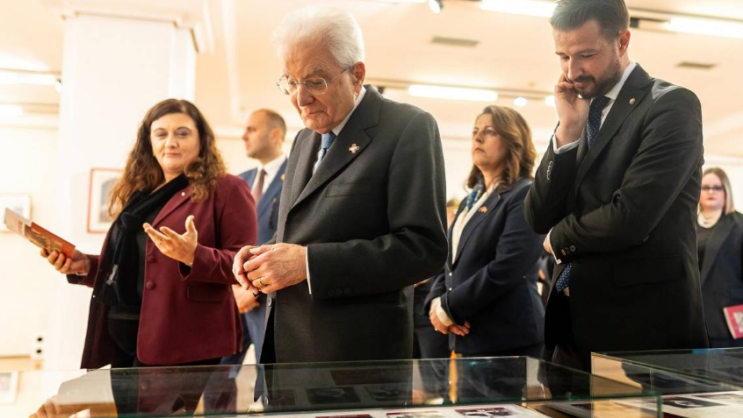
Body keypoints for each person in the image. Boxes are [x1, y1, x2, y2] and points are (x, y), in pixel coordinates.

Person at [233, 6, 448, 363]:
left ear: (357, 75)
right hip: (284, 350)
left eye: (315, 81)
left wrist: (308, 264)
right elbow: (300, 233)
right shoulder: (304, 139)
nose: (300, 99)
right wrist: (262, 256)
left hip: (354, 360)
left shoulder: (407, 127)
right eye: (290, 82)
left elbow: (423, 249)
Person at [524, 0, 708, 370]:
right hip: (569, 330)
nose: (572, 71)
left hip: (642, 334)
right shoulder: (579, 113)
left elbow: (630, 217)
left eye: (586, 55)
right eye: (563, 56)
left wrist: (559, 237)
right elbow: (538, 215)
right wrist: (568, 132)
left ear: (622, 41)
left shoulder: (671, 106)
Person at [41, 99, 257, 369]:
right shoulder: (139, 194)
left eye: (182, 133)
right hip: (122, 334)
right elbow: (134, 267)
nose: (171, 142)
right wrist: (86, 265)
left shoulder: (227, 188)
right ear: (149, 142)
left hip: (181, 342)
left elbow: (244, 264)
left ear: (201, 140)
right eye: (161, 134)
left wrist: (194, 255)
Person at [426, 106, 544, 358]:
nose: (478, 138)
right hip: (469, 335)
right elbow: (449, 264)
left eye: (489, 131)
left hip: (509, 339)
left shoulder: (524, 193)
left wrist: (449, 307)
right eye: (475, 131)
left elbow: (507, 266)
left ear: (513, 141)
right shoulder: (469, 202)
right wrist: (436, 304)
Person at [222, 109, 288, 365]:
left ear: (275, 135)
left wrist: (254, 290)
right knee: (219, 373)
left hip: (271, 300)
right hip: (234, 296)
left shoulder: (296, 178)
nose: (244, 136)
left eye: (252, 129)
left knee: (267, 373)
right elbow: (226, 237)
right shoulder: (241, 181)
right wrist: (234, 287)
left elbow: (291, 237)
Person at [697, 167, 743, 348]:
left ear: (726, 191)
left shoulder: (739, 225)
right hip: (692, 320)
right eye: (705, 187)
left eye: (717, 187)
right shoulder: (687, 224)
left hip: (728, 321)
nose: (711, 192)